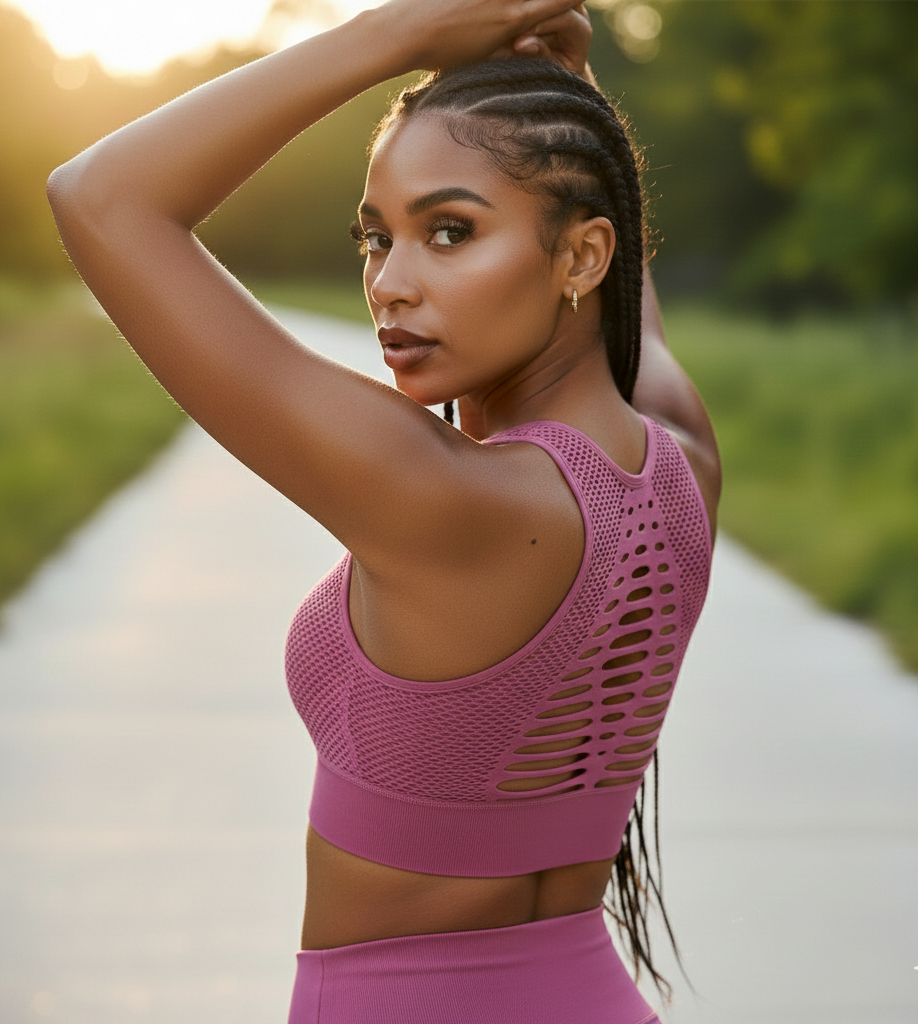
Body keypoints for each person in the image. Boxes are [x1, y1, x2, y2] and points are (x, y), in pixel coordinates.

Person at [48, 2, 720, 1022]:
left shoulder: (446, 498)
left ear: (579, 260)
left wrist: (400, 34)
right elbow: (614, 274)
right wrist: (564, 97)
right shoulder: (680, 456)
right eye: (376, 236)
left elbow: (101, 196)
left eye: (449, 232)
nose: (390, 284)